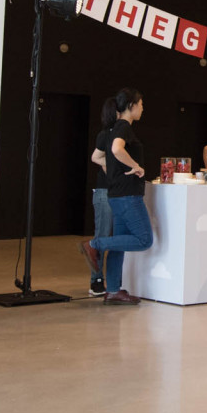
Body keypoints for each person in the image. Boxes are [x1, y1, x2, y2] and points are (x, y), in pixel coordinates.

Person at [87, 88, 154, 305]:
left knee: (119, 244)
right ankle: (95, 245)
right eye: (141, 104)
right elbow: (117, 150)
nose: (143, 108)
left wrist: (115, 169)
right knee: (144, 240)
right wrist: (136, 166)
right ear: (131, 106)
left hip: (116, 194)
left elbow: (98, 156)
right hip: (128, 195)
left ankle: (113, 290)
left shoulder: (113, 128)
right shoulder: (123, 126)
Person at [80, 96, 119, 296]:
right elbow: (97, 157)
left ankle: (111, 281)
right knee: (102, 237)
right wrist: (109, 166)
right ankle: (96, 280)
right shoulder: (106, 135)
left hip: (116, 192)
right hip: (105, 191)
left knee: (114, 238)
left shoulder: (120, 134)